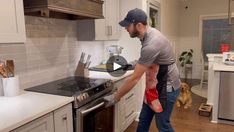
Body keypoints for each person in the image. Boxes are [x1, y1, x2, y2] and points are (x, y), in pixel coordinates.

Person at [103, 8, 181, 132]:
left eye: (128, 25)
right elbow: (147, 60)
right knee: (143, 121)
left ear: (138, 25)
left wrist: (115, 97)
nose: (126, 28)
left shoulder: (152, 43)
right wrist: (128, 65)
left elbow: (134, 79)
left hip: (165, 89)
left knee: (163, 125)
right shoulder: (147, 35)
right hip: (153, 88)